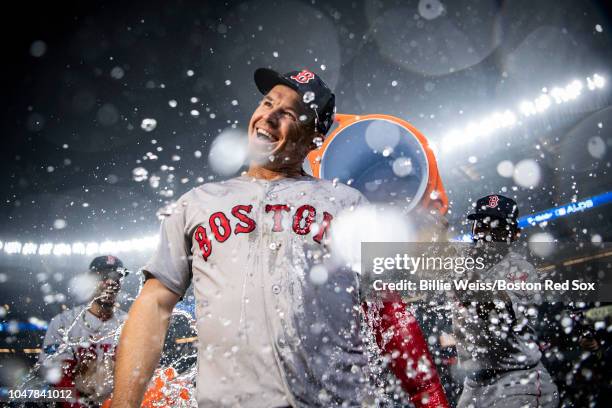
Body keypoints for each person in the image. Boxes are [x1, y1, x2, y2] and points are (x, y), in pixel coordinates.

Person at [112, 67, 448, 407]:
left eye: (288, 113)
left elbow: (388, 313)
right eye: (267, 103)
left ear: (315, 137)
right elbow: (154, 304)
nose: (268, 117)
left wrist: (430, 399)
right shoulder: (196, 203)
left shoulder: (348, 204)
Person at [453, 194, 559, 407]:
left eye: (498, 227)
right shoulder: (463, 261)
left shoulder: (521, 270)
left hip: (518, 381)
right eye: (482, 225)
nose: (488, 234)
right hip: (473, 385)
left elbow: (497, 311)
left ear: (514, 234)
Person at [40, 255, 129, 407]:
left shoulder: (131, 323)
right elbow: (58, 379)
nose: (111, 282)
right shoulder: (63, 322)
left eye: (117, 277)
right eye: (103, 276)